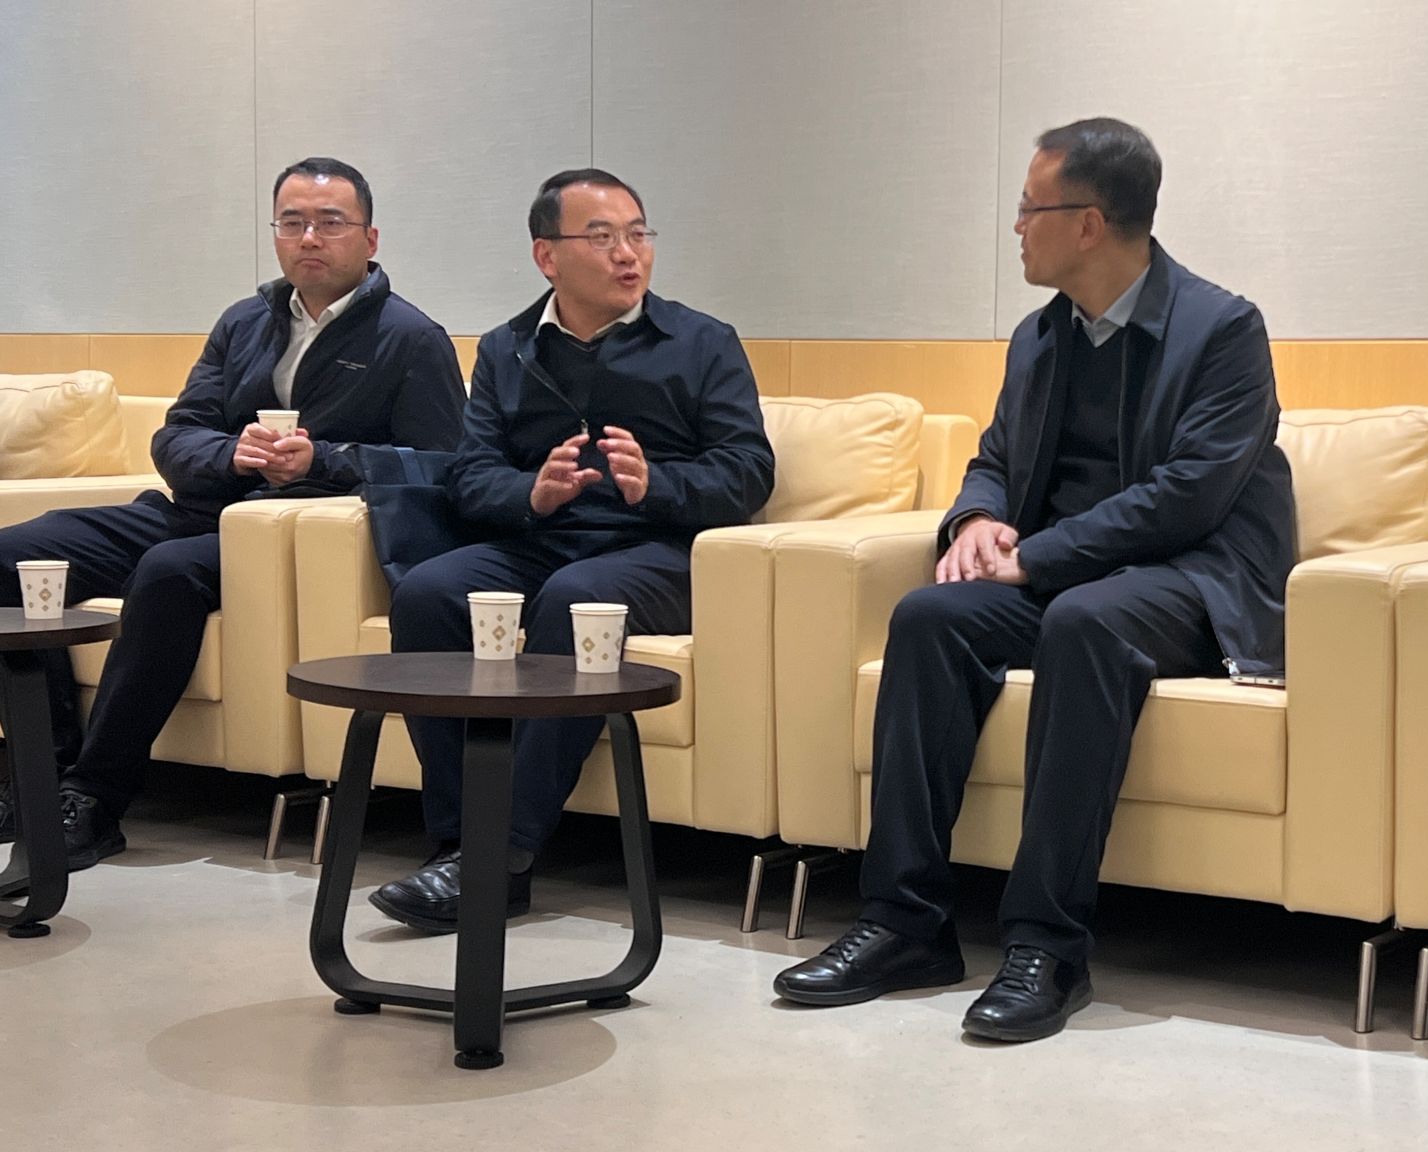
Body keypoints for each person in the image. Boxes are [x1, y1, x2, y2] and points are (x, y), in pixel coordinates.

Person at [773, 118, 1296, 1043]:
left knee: (1085, 621)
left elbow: (1191, 495)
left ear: (1087, 224)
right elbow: (995, 457)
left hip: (1191, 579)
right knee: (931, 616)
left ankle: (1047, 946)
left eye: (1028, 208)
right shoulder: (1042, 334)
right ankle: (903, 923)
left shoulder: (1223, 330)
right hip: (1070, 577)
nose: (1015, 226)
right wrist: (975, 520)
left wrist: (1040, 557)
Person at [0, 157, 464, 869]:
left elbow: (442, 466)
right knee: (16, 555)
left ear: (370, 238)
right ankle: (40, 771)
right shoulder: (245, 320)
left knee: (169, 571)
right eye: (292, 222)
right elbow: (176, 434)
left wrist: (323, 460)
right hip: (203, 507)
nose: (309, 238)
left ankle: (94, 797)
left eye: (330, 222)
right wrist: (231, 453)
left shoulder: (410, 337)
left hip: (293, 534)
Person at [367, 168, 773, 933]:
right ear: (546, 256)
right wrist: (532, 494)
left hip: (660, 551)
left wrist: (656, 484)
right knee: (428, 592)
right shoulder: (507, 348)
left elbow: (748, 471)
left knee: (577, 599)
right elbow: (470, 475)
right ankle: (456, 844)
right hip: (542, 540)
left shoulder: (702, 342)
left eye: (638, 235)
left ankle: (502, 856)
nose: (629, 254)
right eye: (603, 237)